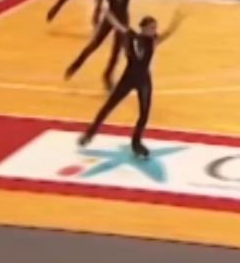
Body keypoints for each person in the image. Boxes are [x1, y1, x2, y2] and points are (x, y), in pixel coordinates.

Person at [78, 12, 184, 158]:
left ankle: (136, 143)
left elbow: (168, 33)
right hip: (127, 79)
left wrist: (176, 22)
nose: (154, 30)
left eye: (155, 28)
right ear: (143, 28)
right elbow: (117, 25)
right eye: (152, 28)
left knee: (144, 113)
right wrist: (109, 15)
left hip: (144, 81)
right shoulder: (130, 35)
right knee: (108, 106)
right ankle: (89, 134)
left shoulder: (153, 40)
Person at [65, 0, 134, 89]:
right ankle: (76, 64)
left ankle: (107, 76)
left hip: (122, 19)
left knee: (116, 51)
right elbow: (107, 10)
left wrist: (122, 27)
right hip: (109, 18)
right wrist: (118, 26)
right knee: (94, 44)